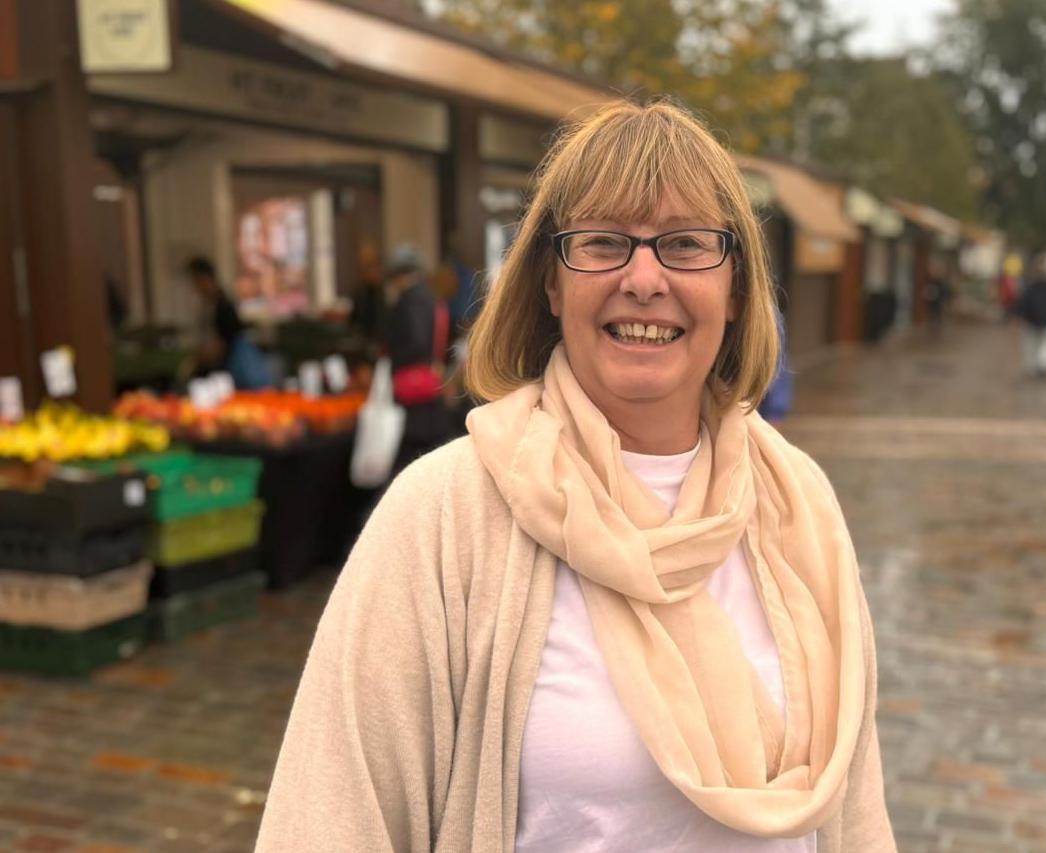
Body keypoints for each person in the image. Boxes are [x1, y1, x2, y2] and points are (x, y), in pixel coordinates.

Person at [257, 100, 895, 852]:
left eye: (686, 244)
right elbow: (329, 817)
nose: (645, 278)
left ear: (737, 288)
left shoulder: (800, 503)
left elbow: (853, 805)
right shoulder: (443, 514)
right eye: (602, 242)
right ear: (550, 285)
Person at [382, 243, 454, 476]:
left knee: (409, 460)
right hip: (430, 383)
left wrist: (392, 358)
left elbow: (416, 340)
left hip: (413, 388)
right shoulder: (432, 298)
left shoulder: (410, 300)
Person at [185, 256, 271, 389]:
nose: (195, 287)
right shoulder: (208, 305)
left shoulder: (223, 306)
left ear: (205, 279)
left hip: (228, 373)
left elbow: (223, 344)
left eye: (195, 281)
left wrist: (198, 359)